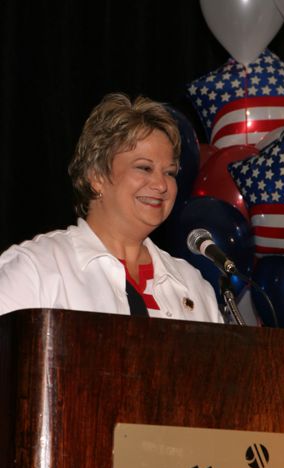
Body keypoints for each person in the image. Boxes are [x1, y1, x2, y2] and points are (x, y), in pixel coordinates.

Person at [0, 93, 223, 323]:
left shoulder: (193, 285)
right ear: (96, 177)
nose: (160, 184)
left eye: (169, 172)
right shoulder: (36, 268)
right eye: (144, 168)